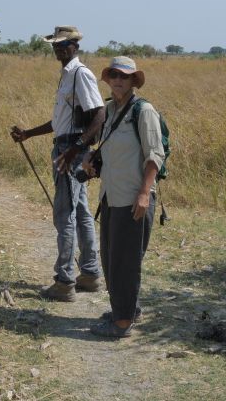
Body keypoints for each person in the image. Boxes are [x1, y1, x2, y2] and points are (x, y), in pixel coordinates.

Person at [10, 26, 106, 301]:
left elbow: (99, 114)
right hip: (68, 145)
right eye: (56, 45)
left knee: (65, 215)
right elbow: (60, 122)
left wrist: (76, 149)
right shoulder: (67, 76)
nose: (60, 49)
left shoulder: (80, 74)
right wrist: (28, 133)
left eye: (65, 44)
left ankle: (64, 282)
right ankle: (89, 274)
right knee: (81, 212)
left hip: (70, 150)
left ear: (76, 45)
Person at [83, 56, 165, 338]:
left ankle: (121, 323)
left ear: (133, 81)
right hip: (111, 195)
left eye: (125, 76)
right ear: (108, 79)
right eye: (115, 75)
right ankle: (127, 309)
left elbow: (155, 155)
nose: (119, 80)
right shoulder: (110, 110)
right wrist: (94, 165)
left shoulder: (144, 111)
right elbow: (114, 151)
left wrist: (144, 193)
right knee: (111, 257)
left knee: (124, 262)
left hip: (133, 198)